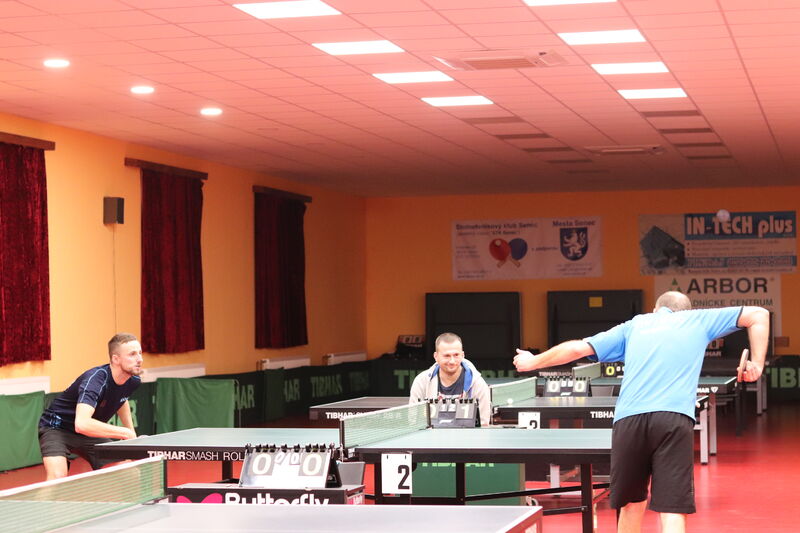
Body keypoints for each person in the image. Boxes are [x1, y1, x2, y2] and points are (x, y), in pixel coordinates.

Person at [513, 292, 769, 533]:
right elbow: (759, 314)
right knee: (672, 510)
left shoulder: (635, 325)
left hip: (630, 420)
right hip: (674, 419)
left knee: (631, 504)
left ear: (656, 309)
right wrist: (757, 364)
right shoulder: (698, 320)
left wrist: (532, 362)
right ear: (686, 310)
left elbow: (579, 348)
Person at [39, 333, 144, 480]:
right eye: (132, 354)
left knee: (131, 473)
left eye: (140, 353)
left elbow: (122, 398)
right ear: (116, 359)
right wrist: (125, 433)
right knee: (57, 478)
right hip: (57, 427)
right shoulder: (96, 380)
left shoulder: (133, 380)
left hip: (88, 434)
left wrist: (131, 434)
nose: (140, 359)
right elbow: (82, 424)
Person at [409, 332, 492, 426]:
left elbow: (483, 425)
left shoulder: (478, 384)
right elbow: (413, 422)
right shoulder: (421, 382)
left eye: (456, 355)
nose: (452, 361)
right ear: (436, 357)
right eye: (447, 356)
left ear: (462, 355)